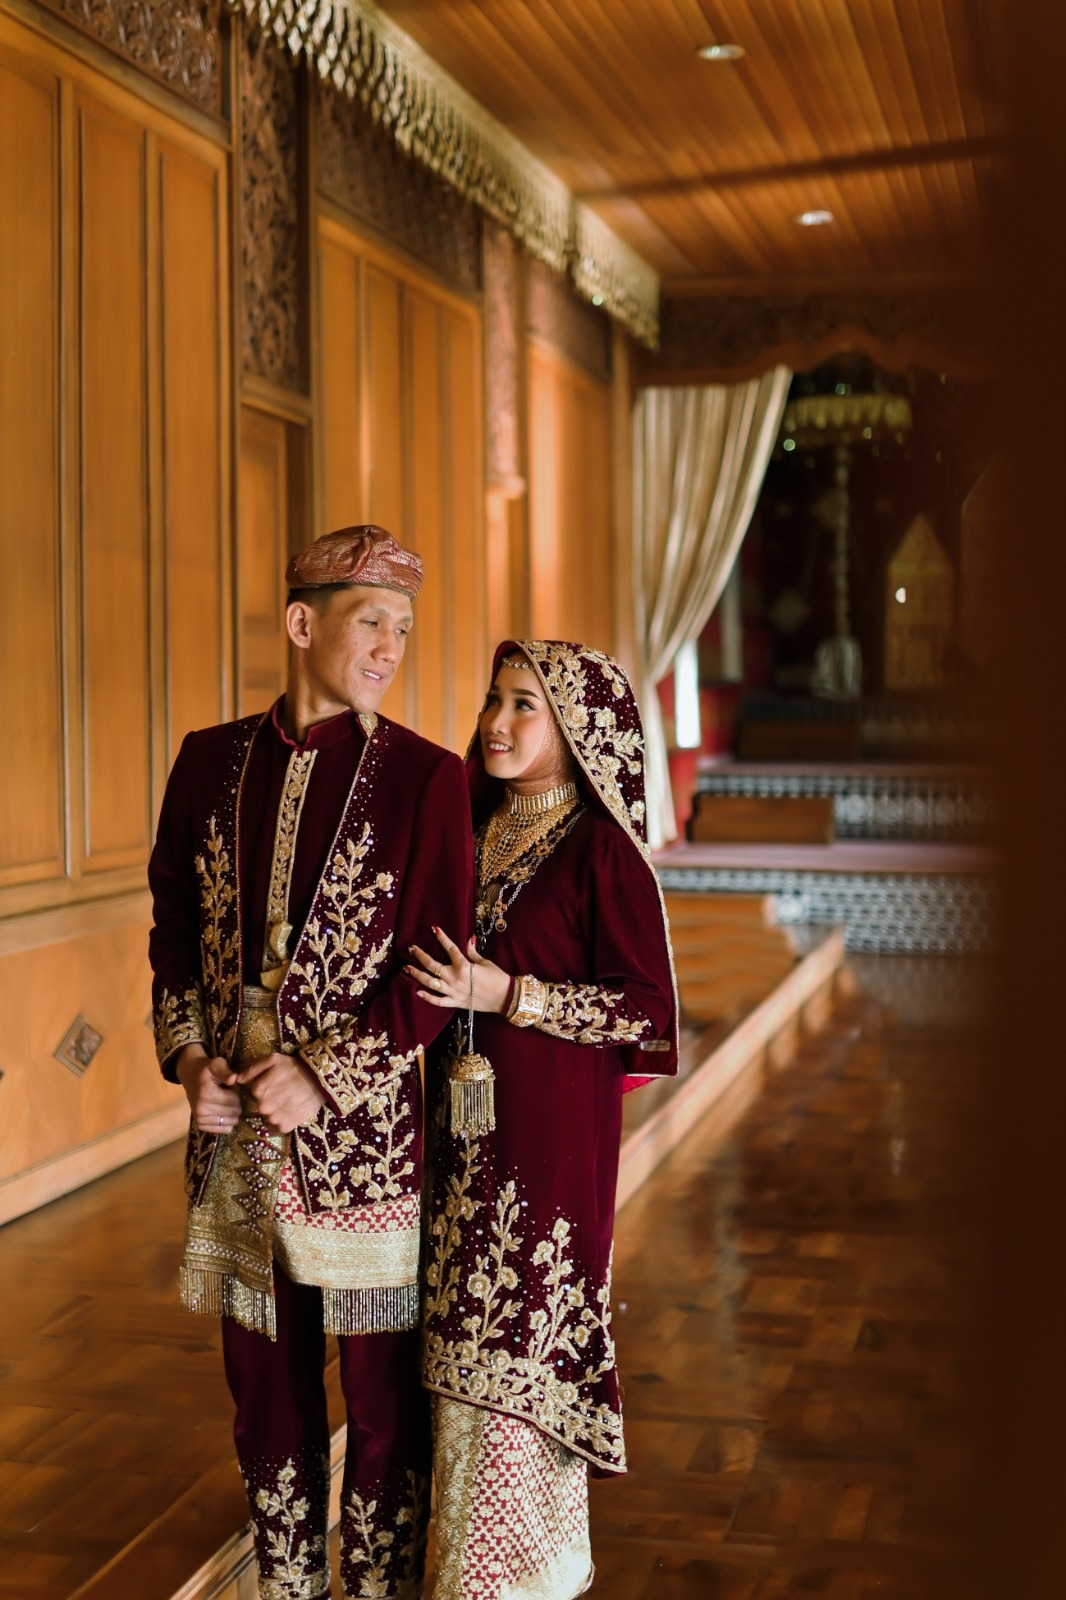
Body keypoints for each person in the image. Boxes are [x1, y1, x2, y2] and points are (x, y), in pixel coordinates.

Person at [148, 525, 474, 1600]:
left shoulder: (427, 779)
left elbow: (436, 975)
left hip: (365, 1141)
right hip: (233, 1132)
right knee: (265, 1393)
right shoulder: (208, 761)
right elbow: (172, 929)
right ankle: (289, 1585)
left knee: (381, 1401)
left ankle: (375, 1590)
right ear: (302, 623)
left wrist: (326, 1075)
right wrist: (189, 1058)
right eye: (370, 620)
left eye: (404, 629)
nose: (390, 647)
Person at [408, 639, 678, 1600]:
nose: (497, 720)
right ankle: (462, 1572)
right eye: (495, 698)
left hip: (551, 1152)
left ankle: (508, 1578)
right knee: (454, 1350)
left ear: (578, 732)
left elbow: (645, 1009)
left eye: (526, 704)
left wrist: (513, 994)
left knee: (518, 1338)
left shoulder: (601, 851)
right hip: (456, 1140)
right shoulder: (468, 826)